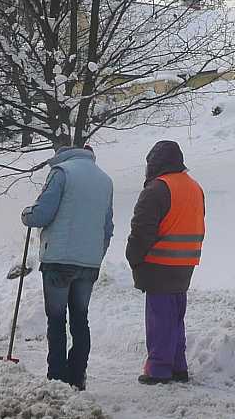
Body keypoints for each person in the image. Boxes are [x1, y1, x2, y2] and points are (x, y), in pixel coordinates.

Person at [21, 146, 114, 390]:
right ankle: (77, 375)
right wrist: (96, 254)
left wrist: (26, 214)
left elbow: (42, 214)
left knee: (57, 318)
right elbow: (108, 227)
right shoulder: (105, 180)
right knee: (80, 319)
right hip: (89, 262)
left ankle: (57, 377)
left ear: (62, 155)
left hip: (60, 260)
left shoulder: (61, 173)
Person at [126, 140, 205, 385]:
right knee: (175, 316)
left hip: (160, 262)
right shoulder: (194, 187)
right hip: (186, 262)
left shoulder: (158, 188)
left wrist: (133, 257)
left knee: (159, 317)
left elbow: (142, 230)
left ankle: (159, 369)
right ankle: (178, 366)